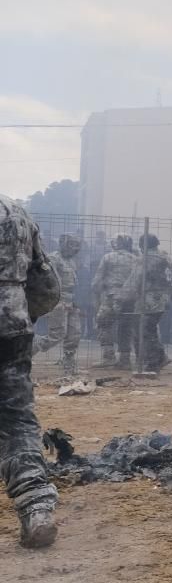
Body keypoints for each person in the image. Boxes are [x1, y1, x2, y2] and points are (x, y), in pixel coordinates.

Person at [0, 194, 60, 548]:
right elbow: (46, 286)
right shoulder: (17, 213)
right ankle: (37, 510)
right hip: (12, 327)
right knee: (16, 420)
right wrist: (24, 312)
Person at [119, 233, 172, 374]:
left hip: (148, 299)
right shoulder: (167, 259)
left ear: (142, 246)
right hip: (163, 298)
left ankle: (154, 361)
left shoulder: (144, 259)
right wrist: (169, 296)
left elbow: (134, 281)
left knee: (144, 331)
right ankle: (160, 357)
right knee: (150, 329)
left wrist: (123, 298)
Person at [34, 233, 83, 376]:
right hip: (58, 300)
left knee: (74, 333)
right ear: (64, 244)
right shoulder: (54, 259)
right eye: (72, 245)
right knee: (57, 335)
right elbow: (48, 281)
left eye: (76, 246)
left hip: (70, 299)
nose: (75, 249)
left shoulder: (71, 261)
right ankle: (28, 350)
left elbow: (72, 284)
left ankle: (69, 365)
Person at [91, 234, 137, 368]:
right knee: (125, 327)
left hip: (111, 296)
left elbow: (97, 280)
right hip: (130, 298)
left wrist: (96, 295)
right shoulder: (135, 259)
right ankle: (125, 359)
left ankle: (108, 356)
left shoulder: (108, 257)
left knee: (103, 323)